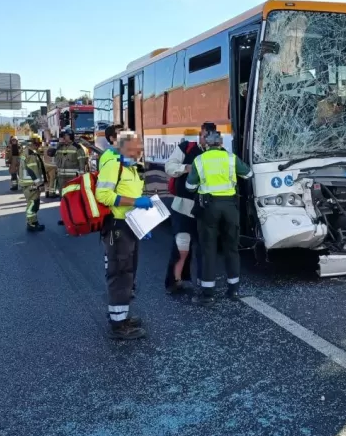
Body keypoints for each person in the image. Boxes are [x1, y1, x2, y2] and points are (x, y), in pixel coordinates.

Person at [94, 131, 153, 339]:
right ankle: (119, 326)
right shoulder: (113, 166)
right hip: (117, 227)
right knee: (120, 274)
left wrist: (144, 224)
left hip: (131, 225)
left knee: (129, 273)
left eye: (141, 147)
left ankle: (122, 316)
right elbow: (103, 195)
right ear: (123, 147)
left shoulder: (132, 167)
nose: (140, 150)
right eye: (136, 147)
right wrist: (135, 202)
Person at [186, 129, 253, 304]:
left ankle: (208, 294)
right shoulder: (231, 158)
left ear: (206, 144)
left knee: (208, 249)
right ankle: (234, 290)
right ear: (221, 143)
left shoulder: (199, 160)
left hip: (209, 208)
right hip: (230, 207)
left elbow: (190, 186)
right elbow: (248, 174)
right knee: (231, 248)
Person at [163, 122, 215, 295]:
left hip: (205, 206)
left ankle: (203, 282)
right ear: (200, 134)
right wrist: (186, 168)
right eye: (204, 135)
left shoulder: (217, 153)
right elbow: (169, 167)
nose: (207, 139)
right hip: (183, 205)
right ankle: (174, 281)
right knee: (181, 246)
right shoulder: (186, 147)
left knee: (204, 246)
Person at [18, 134, 47, 232]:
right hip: (31, 184)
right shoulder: (31, 154)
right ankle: (32, 224)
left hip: (28, 183)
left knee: (33, 203)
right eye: (38, 143)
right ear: (34, 143)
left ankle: (33, 222)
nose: (39, 145)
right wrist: (39, 184)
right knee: (33, 204)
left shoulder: (27, 151)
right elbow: (33, 170)